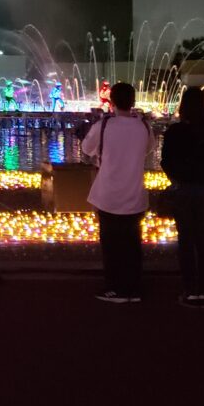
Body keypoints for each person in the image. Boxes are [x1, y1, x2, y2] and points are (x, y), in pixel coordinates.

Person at [81, 82, 155, 303]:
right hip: (134, 195)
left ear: (111, 102)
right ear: (133, 102)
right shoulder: (144, 127)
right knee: (132, 244)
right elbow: (149, 149)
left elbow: (86, 149)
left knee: (111, 246)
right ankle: (133, 287)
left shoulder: (103, 126)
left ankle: (115, 288)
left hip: (108, 195)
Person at [161, 87, 204, 307]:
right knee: (203, 239)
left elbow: (166, 161)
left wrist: (176, 179)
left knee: (186, 240)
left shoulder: (174, 132)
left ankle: (189, 289)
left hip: (182, 190)